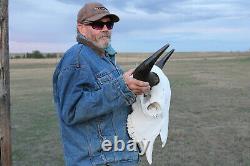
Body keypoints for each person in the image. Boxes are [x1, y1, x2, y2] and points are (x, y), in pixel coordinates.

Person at [53, 2, 150, 166]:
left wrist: (137, 85)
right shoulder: (76, 59)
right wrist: (122, 88)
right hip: (98, 161)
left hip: (119, 158)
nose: (106, 29)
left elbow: (117, 101)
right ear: (81, 28)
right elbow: (72, 111)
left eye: (109, 24)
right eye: (98, 24)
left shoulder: (104, 59)